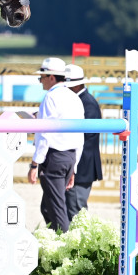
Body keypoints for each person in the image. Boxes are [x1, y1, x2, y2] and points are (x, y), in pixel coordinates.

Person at [27, 57, 84, 232]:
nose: (40, 81)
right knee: (48, 207)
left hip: (54, 158)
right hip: (70, 156)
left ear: (52, 77)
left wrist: (35, 163)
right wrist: (74, 166)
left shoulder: (51, 97)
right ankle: (54, 243)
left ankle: (66, 250)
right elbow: (80, 135)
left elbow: (45, 133)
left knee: (57, 210)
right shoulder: (74, 98)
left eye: (42, 77)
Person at [64, 64, 103, 222]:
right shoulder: (80, 100)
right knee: (72, 205)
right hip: (79, 162)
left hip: (84, 164)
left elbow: (87, 135)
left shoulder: (88, 104)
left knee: (77, 206)